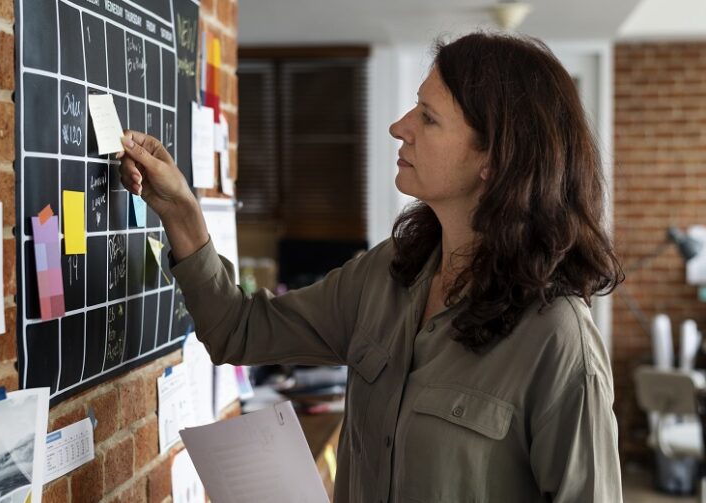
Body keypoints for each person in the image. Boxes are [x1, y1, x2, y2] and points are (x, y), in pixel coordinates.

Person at [118, 31, 624, 502]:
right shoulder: (388, 274)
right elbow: (240, 331)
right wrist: (182, 211)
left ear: (493, 159)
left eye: (428, 117)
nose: (399, 126)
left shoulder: (559, 343)